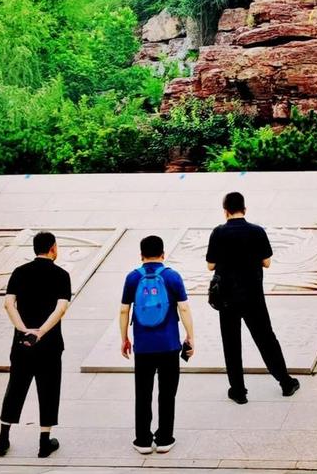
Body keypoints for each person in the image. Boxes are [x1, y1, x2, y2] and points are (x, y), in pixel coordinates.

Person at [206, 191, 300, 404]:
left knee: (231, 343)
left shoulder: (218, 233)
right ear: (245, 209)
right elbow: (267, 262)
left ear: (225, 211)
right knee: (266, 338)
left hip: (227, 298)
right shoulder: (257, 231)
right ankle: (285, 382)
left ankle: (238, 391)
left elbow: (211, 265)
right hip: (253, 295)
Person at [0, 230, 71, 459]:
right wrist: (41, 332)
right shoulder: (61, 275)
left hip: (22, 343)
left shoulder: (19, 272)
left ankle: (3, 437)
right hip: (49, 344)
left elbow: (9, 304)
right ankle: (44, 442)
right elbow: (61, 308)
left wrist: (24, 330)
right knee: (48, 388)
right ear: (53, 248)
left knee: (16, 387)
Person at [120, 234, 195, 455]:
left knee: (143, 393)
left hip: (143, 347)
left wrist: (124, 338)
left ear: (141, 255)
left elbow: (124, 310)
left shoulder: (132, 278)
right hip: (169, 345)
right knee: (167, 393)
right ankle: (164, 439)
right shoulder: (172, 277)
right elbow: (184, 308)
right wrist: (190, 337)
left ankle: (142, 440)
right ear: (163, 254)